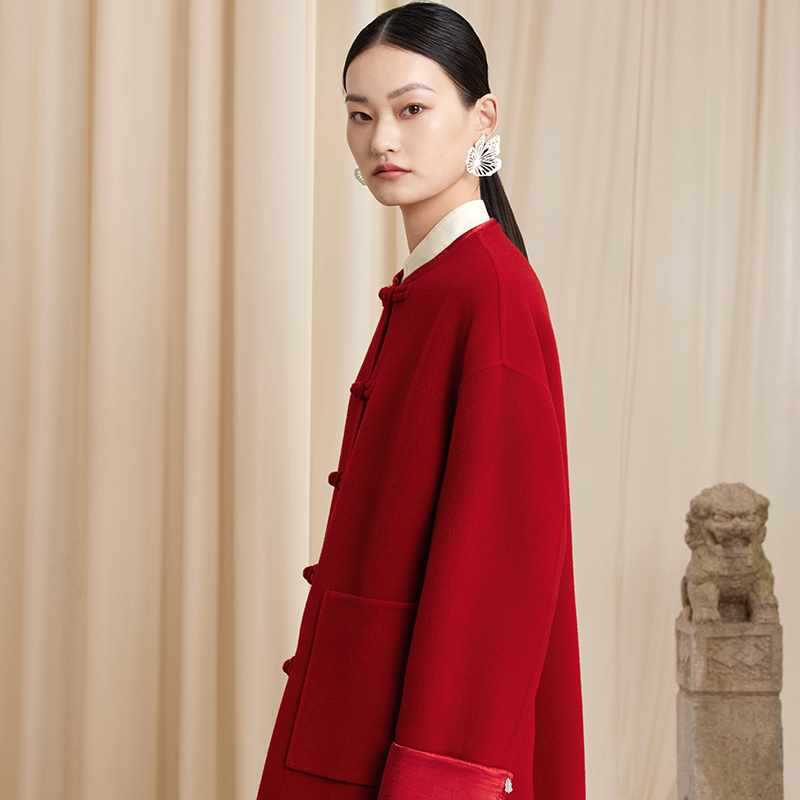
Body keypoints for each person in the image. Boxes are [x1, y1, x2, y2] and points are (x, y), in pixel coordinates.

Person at [256, 3, 585, 798]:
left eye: (411, 109)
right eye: (360, 115)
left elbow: (499, 570)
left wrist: (440, 776)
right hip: (353, 722)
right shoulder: (434, 284)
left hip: (412, 746)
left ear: (482, 119)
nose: (382, 140)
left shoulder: (488, 294)